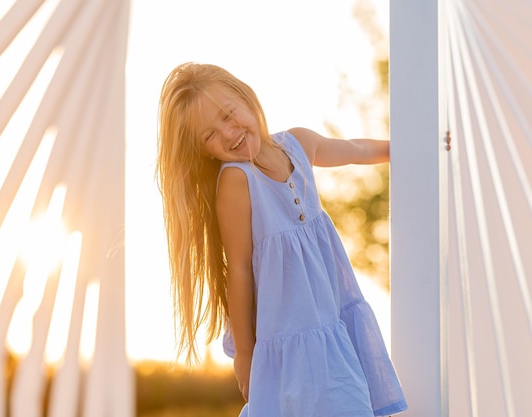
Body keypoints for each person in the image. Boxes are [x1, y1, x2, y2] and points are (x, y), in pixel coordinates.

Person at [156, 62, 407, 417]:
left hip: (332, 323)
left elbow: (356, 150)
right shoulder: (236, 182)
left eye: (229, 115)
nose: (228, 133)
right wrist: (245, 353)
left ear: (246, 96)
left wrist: (407, 148)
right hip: (291, 336)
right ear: (206, 153)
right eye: (209, 136)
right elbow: (239, 269)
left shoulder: (299, 144)